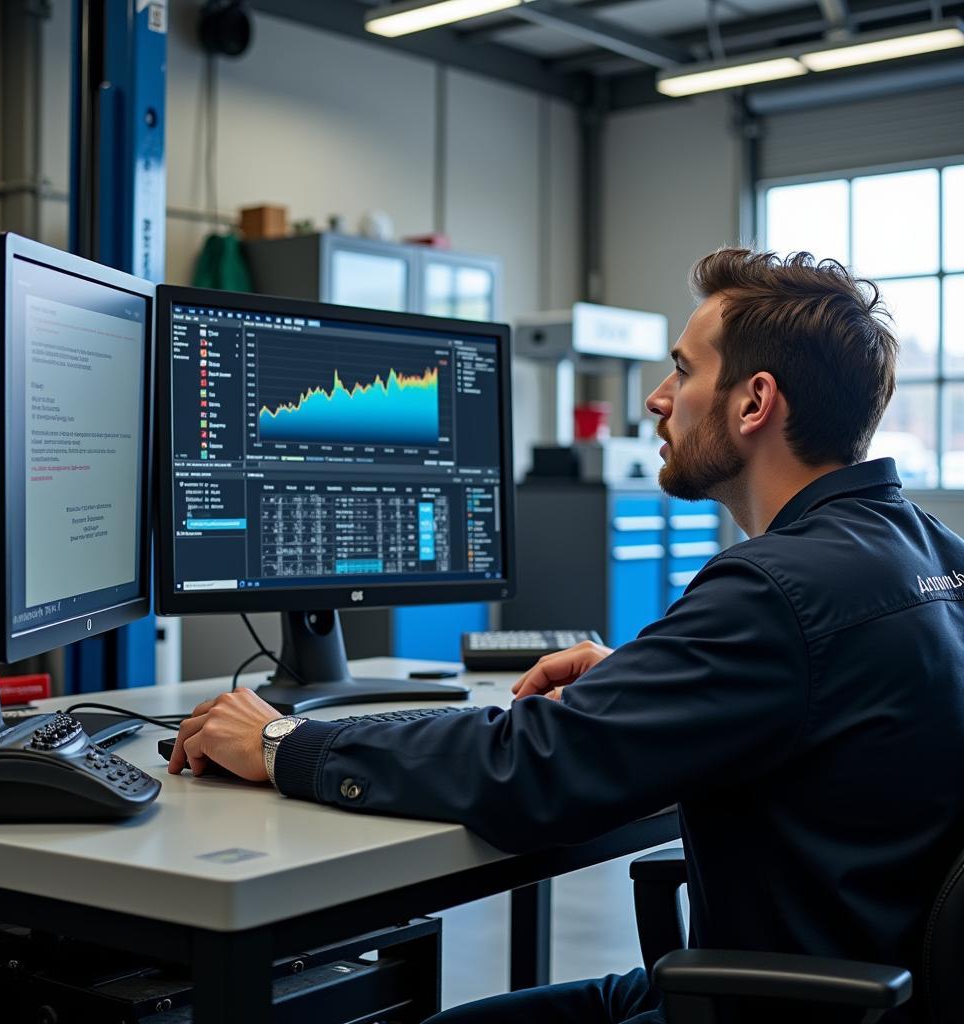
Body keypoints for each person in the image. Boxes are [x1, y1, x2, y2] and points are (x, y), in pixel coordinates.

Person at [168, 249, 964, 1023]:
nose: (657, 398)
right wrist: (651, 681)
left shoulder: (775, 590)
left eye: (683, 371)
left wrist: (284, 743)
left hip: (773, 1003)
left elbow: (523, 769)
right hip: (856, 978)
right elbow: (842, 710)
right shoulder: (932, 551)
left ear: (755, 402)